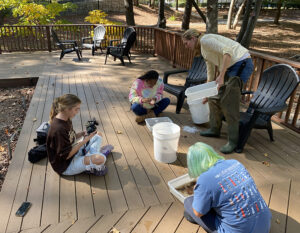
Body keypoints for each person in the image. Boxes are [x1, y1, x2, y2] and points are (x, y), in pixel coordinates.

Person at [182, 29, 254, 153]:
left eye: (186, 43)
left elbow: (228, 52)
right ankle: (215, 129)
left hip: (241, 63)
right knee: (213, 97)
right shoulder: (203, 49)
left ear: (193, 38)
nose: (186, 46)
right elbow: (210, 71)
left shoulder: (205, 40)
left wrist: (221, 75)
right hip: (230, 67)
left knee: (229, 102)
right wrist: (206, 92)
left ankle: (233, 141)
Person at [184, 142, 272, 233]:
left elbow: (198, 212)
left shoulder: (204, 179)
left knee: (188, 202)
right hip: (264, 227)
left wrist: (198, 192)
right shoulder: (235, 163)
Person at [46, 94, 113, 176]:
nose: (78, 112)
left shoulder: (66, 118)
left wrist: (82, 133)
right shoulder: (58, 129)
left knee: (98, 135)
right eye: (76, 109)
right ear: (67, 109)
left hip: (73, 152)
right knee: (102, 159)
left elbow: (71, 137)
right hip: (66, 166)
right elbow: (66, 156)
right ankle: (93, 160)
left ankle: (92, 156)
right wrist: (85, 140)